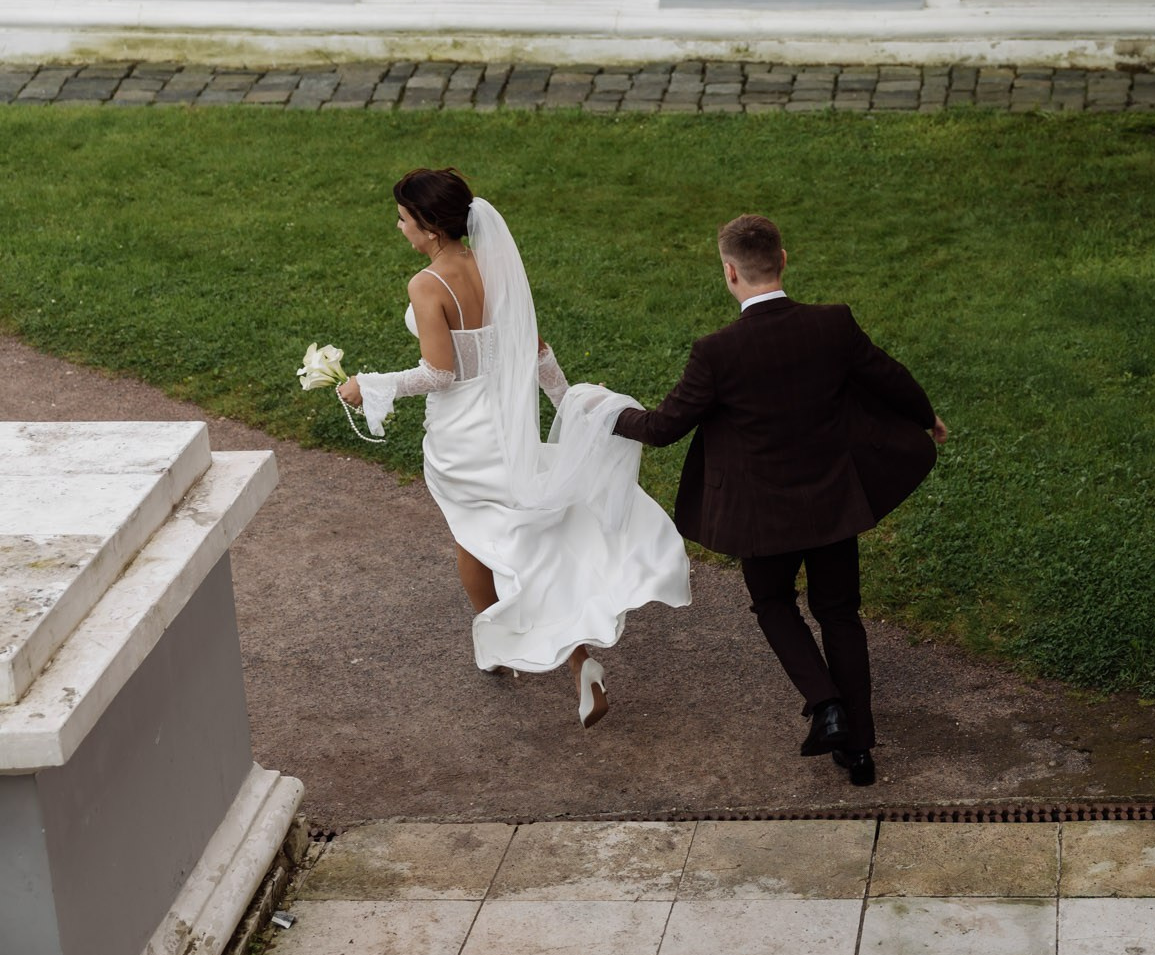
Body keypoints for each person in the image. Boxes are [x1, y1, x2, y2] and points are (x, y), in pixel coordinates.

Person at [339, 168, 690, 727]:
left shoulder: (427, 285)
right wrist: (568, 403)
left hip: (462, 440)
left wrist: (371, 385)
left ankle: (507, 645)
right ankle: (571, 659)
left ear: (429, 227)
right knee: (525, 540)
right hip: (510, 428)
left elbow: (439, 373)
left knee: (474, 538)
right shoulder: (494, 265)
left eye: (403, 219)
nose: (399, 227)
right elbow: (537, 349)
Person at [614, 214, 944, 786]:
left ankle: (827, 705)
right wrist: (926, 417)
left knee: (772, 603)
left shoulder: (717, 352)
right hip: (832, 503)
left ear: (729, 272)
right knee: (839, 613)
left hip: (761, 517)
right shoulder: (831, 325)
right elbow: (889, 377)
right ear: (783, 260)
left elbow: (664, 428)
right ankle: (860, 753)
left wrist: (607, 414)